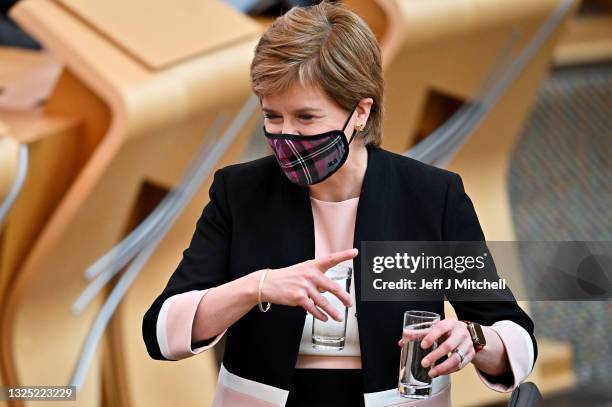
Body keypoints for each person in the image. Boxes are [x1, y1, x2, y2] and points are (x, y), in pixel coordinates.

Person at [142, 2, 536, 406]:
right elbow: (160, 331)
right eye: (272, 117)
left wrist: (473, 339)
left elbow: (517, 335)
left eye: (306, 117)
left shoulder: (431, 197)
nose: (286, 136)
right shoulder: (239, 192)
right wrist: (258, 286)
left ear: (360, 112)